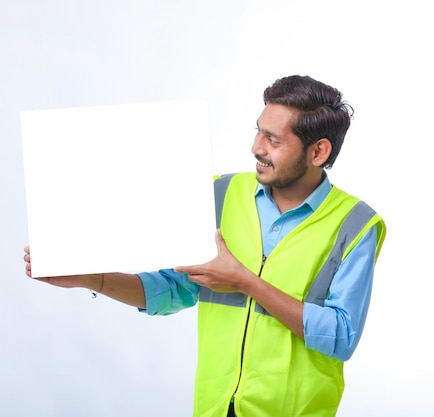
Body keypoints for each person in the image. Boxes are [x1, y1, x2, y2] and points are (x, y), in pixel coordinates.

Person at [23, 75, 386, 417]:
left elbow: (341, 335)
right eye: (258, 132)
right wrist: (91, 277)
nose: (256, 148)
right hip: (213, 407)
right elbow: (173, 288)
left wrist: (246, 282)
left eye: (273, 140)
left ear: (318, 151)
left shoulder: (355, 224)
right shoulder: (220, 193)